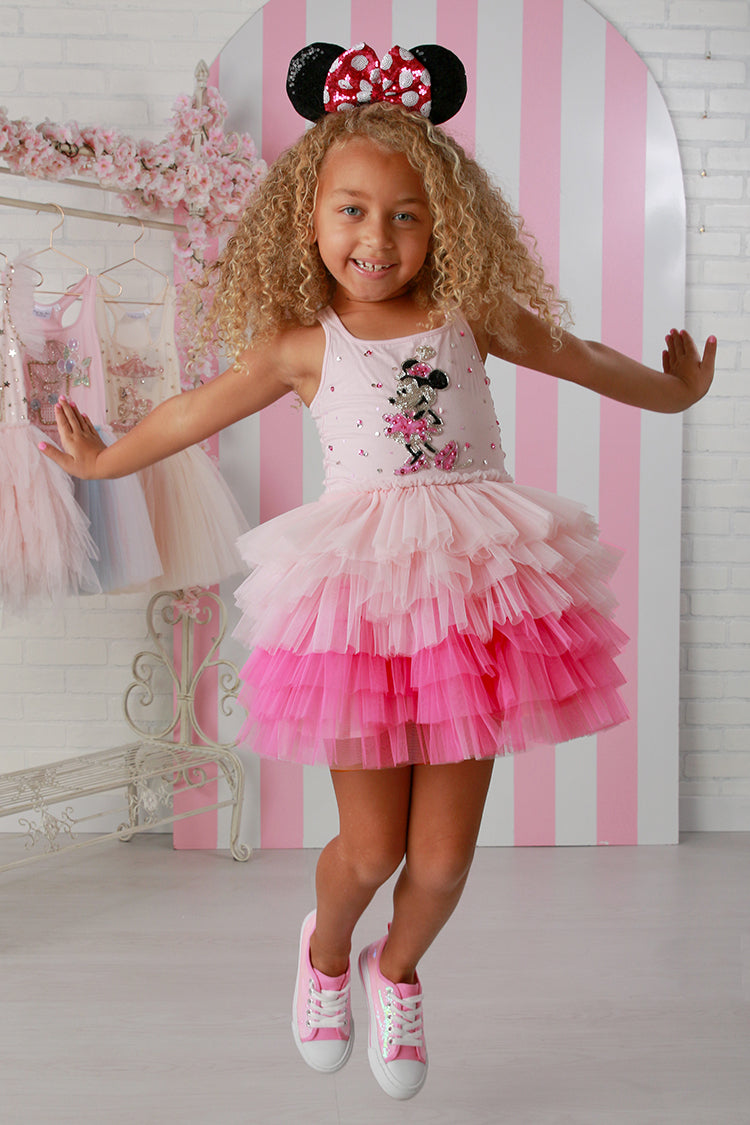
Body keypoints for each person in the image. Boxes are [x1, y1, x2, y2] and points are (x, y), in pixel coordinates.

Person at [41, 42, 716, 1102]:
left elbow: (582, 358)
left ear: (443, 221)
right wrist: (102, 458)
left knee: (440, 865)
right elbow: (189, 413)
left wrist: (673, 395)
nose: (377, 236)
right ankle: (325, 953)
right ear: (306, 219)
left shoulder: (473, 318)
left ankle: (394, 973)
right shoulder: (301, 345)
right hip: (358, 605)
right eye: (352, 211)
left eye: (405, 214)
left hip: (477, 597)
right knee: (366, 853)